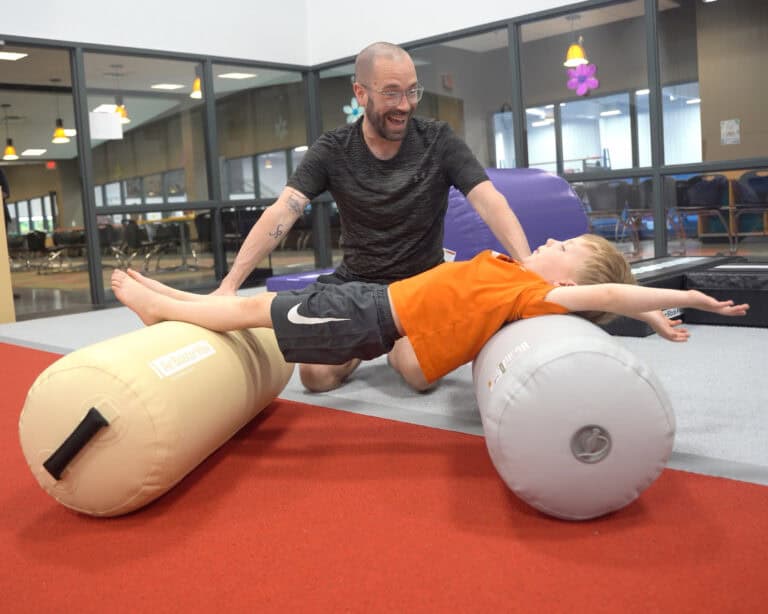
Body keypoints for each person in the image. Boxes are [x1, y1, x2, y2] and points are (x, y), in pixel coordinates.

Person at [213, 41, 533, 393]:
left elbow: (488, 200)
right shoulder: (333, 149)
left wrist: (528, 262)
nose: (405, 105)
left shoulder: (438, 140)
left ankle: (391, 339)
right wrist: (230, 285)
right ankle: (369, 337)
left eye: (412, 91)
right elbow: (284, 210)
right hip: (356, 285)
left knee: (417, 373)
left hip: (421, 285)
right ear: (360, 93)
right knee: (315, 378)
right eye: (392, 93)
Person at [112, 234, 749, 387]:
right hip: (378, 306)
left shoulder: (535, 294)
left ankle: (164, 311)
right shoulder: (509, 269)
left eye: (565, 247)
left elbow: (612, 296)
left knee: (263, 310)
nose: (550, 241)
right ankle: (180, 302)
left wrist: (677, 301)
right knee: (271, 309)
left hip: (375, 315)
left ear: (572, 280)